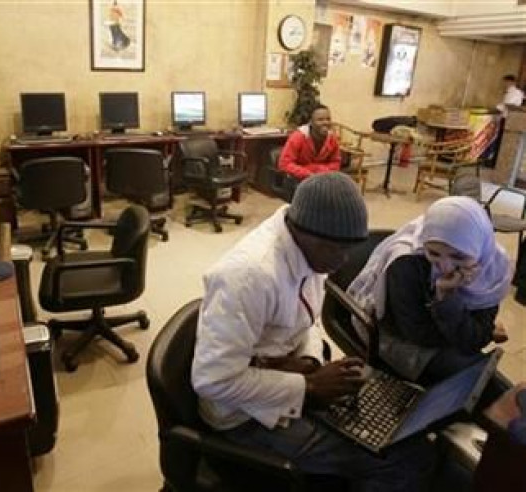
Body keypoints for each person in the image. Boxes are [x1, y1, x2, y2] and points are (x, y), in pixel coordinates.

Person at [192, 173, 434, 491]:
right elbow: (212, 380)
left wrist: (309, 360)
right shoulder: (248, 276)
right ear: (308, 236)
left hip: (281, 380)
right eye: (337, 250)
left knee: (400, 431)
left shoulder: (309, 251)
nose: (344, 260)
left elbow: (307, 320)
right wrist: (308, 386)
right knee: (392, 462)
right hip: (242, 416)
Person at [347, 196, 511, 395]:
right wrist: (447, 299)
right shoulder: (406, 264)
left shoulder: (493, 265)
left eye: (458, 256)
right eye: (433, 253)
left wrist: (477, 332)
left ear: (481, 247)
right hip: (399, 337)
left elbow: (476, 337)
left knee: (487, 380)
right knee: (478, 381)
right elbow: (419, 335)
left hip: (444, 336)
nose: (445, 267)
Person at [278, 104, 341, 182]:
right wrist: (309, 174)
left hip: (323, 179)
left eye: (328, 119)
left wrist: (323, 171)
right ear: (311, 122)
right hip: (300, 180)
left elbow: (336, 162)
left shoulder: (332, 139)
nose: (325, 122)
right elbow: (285, 164)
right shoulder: (298, 137)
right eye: (320, 120)